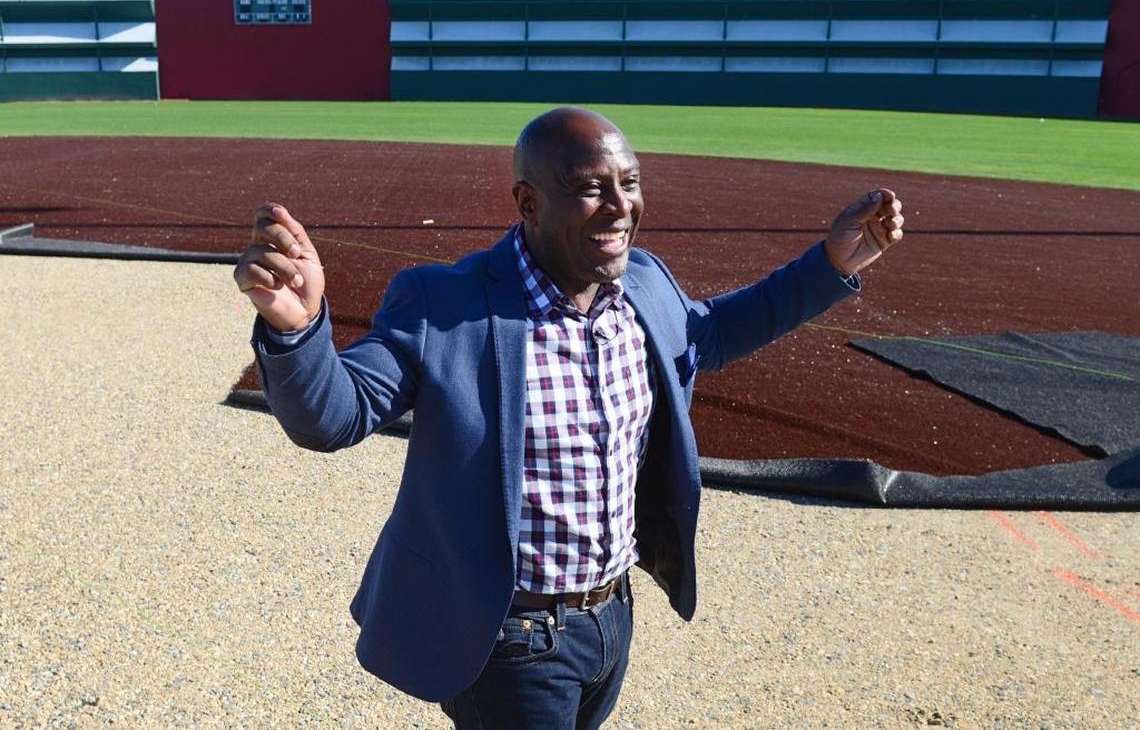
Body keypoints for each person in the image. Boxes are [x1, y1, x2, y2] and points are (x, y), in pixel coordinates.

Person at [233, 107, 904, 728]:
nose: (621, 206)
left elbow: (715, 330)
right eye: (591, 188)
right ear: (528, 201)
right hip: (513, 643)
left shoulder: (643, 283)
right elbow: (335, 415)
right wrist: (300, 332)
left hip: (610, 620)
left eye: (630, 182)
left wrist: (832, 262)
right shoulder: (445, 304)